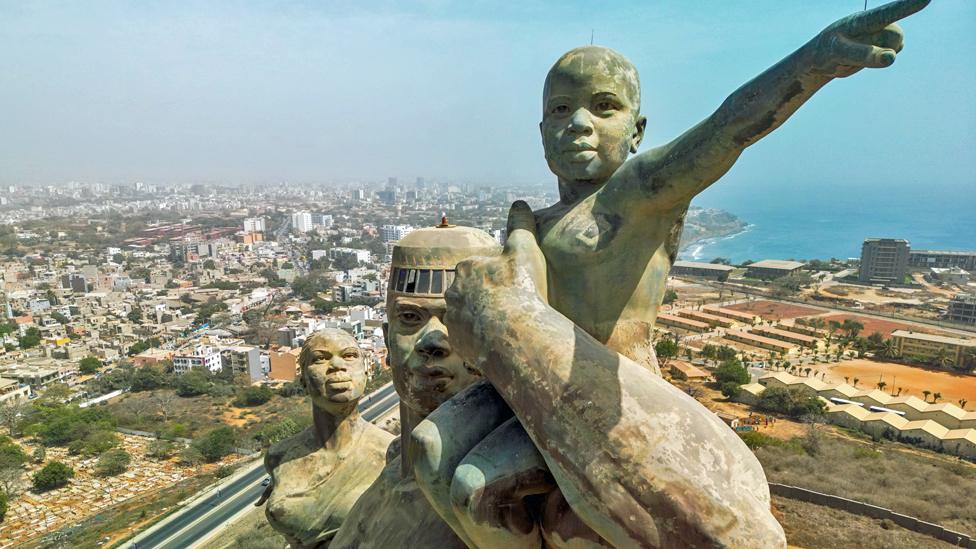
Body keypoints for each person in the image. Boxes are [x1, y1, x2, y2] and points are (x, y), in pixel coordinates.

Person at [412, 1, 931, 546]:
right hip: (525, 385)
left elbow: (727, 128)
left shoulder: (635, 196)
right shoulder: (534, 223)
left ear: (637, 130)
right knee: (427, 449)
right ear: (542, 131)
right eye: (561, 110)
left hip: (612, 391)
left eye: (603, 106)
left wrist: (815, 61)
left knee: (478, 486)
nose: (578, 124)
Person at [328, 221, 502, 548]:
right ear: (386, 340)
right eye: (410, 318)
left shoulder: (498, 506)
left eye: (455, 318)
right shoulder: (395, 466)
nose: (432, 341)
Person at [258, 329, 393, 548]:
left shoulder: (390, 454)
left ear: (366, 372)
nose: (337, 366)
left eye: (349, 355)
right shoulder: (279, 456)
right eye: (320, 358)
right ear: (303, 379)